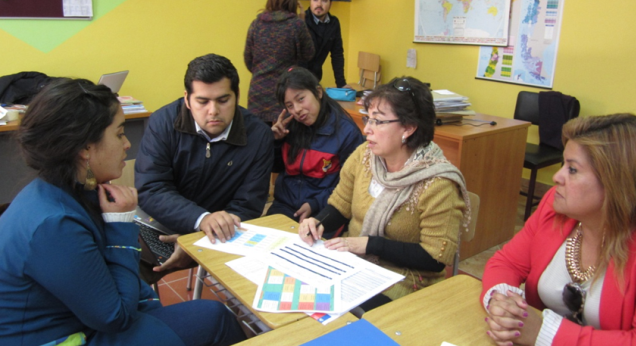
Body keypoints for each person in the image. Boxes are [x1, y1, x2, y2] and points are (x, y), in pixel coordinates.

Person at [0, 79, 245, 345]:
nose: (127, 144)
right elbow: (116, 317)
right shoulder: (54, 224)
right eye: (118, 134)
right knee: (213, 316)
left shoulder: (68, 189)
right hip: (65, 337)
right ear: (84, 149)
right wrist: (120, 223)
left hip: (83, 319)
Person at [299, 76, 470, 311]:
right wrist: (317, 222)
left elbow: (435, 259)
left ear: (408, 128)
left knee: (331, 312)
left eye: (378, 121)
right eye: (368, 118)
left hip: (407, 281)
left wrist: (369, 245)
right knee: (305, 291)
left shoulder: (438, 183)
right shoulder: (364, 156)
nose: (366, 128)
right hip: (356, 264)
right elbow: (340, 206)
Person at [481, 114, 636, 346]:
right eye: (564, 164)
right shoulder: (554, 207)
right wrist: (502, 303)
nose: (556, 177)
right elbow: (507, 263)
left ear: (617, 183)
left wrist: (542, 334)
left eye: (572, 170)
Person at [135, 54, 274, 280]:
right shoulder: (163, 122)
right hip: (162, 222)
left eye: (223, 100)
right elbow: (151, 188)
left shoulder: (258, 135)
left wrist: (197, 242)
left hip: (219, 233)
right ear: (187, 100)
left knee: (254, 281)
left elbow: (248, 205)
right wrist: (200, 220)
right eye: (202, 101)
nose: (213, 111)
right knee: (130, 274)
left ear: (237, 96)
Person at [268, 66, 364, 223]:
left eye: (301, 99)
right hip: (284, 206)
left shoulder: (346, 132)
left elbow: (351, 185)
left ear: (318, 92)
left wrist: (315, 203)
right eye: (290, 105)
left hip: (325, 209)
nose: (297, 110)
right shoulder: (289, 126)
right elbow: (277, 168)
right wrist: (276, 141)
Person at [244, 0, 315, 123]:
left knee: (259, 139)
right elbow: (308, 54)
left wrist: (262, 74)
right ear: (292, 1)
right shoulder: (296, 25)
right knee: (285, 140)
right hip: (284, 94)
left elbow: (248, 59)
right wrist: (302, 20)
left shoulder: (256, 24)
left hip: (257, 93)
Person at [300, 0, 353, 89]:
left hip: (315, 78)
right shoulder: (301, 21)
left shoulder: (334, 23)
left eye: (324, 0)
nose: (319, 4)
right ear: (310, 1)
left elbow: (337, 55)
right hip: (296, 79)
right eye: (315, 0)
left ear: (330, 3)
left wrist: (341, 84)